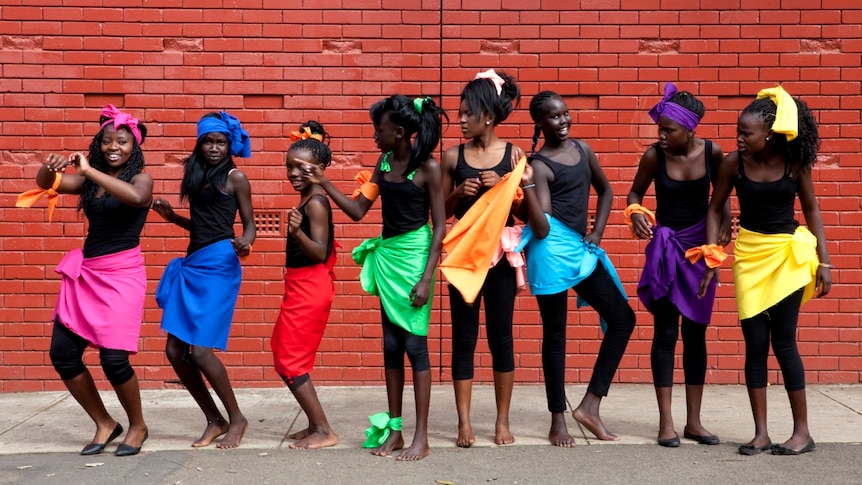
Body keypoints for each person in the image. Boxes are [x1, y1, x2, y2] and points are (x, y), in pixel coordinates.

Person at [306, 94, 446, 461]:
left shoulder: (429, 168)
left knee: (416, 348)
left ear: (399, 132)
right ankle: (396, 431)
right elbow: (357, 211)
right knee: (390, 346)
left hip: (415, 263)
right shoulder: (383, 162)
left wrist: (427, 278)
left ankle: (422, 438)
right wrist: (324, 182)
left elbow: (440, 226)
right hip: (388, 261)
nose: (374, 136)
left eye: (379, 130)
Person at [697, 86, 831, 456]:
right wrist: (711, 254)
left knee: (785, 342)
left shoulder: (794, 163)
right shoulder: (732, 164)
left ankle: (802, 433)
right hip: (750, 257)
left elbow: (812, 211)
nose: (739, 138)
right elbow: (714, 209)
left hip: (787, 256)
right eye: (738, 132)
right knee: (755, 346)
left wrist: (824, 261)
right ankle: (761, 433)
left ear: (768, 133)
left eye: (746, 133)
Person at [19, 105, 152, 456]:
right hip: (87, 274)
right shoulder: (91, 183)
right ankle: (105, 423)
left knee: (113, 359)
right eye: (106, 141)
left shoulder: (141, 179)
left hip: (122, 276)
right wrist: (48, 168)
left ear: (133, 148)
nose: (113, 147)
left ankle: (137, 425)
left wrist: (90, 169)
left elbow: (137, 199)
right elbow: (49, 185)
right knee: (62, 353)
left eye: (121, 142)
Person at [515, 91, 636, 447]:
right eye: (554, 117)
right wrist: (531, 185)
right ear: (540, 122)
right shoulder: (539, 165)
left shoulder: (583, 149)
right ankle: (558, 421)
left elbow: (607, 190)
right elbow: (545, 224)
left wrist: (597, 232)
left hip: (581, 249)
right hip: (551, 251)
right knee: (556, 334)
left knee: (623, 319)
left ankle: (590, 406)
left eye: (566, 114)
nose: (563, 121)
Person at [625, 83, 729, 447]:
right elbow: (634, 192)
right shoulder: (655, 156)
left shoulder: (714, 154)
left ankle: (694, 423)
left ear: (690, 130)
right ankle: (666, 423)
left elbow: (722, 196)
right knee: (666, 333)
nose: (662, 135)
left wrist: (722, 232)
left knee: (696, 334)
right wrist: (636, 211)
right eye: (660, 129)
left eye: (669, 130)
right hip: (667, 249)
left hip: (700, 251)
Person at [152, 111, 256, 449]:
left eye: (220, 142)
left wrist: (246, 241)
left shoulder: (236, 177)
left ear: (230, 145)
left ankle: (237, 418)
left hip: (220, 265)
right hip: (194, 262)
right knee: (173, 350)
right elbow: (201, 227)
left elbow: (249, 224)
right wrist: (172, 218)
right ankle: (215, 419)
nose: (214, 148)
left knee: (199, 351)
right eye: (208, 142)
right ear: (199, 145)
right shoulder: (194, 175)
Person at [439, 69, 523, 447]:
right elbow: (438, 214)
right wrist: (457, 192)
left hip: (501, 259)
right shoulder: (452, 156)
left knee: (501, 338)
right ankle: (464, 423)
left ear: (487, 115)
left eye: (466, 114)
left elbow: (522, 211)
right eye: (459, 113)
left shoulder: (514, 156)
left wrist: (506, 184)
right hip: (464, 259)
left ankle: (502, 422)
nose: (460, 119)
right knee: (464, 339)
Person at [272, 121, 338, 449]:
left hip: (310, 287)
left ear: (321, 169)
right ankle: (314, 424)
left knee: (289, 359)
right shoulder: (307, 200)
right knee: (282, 351)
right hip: (301, 286)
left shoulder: (315, 202)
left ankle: (324, 430)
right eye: (289, 167)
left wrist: (297, 233)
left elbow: (320, 251)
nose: (293, 173)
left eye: (301, 167)